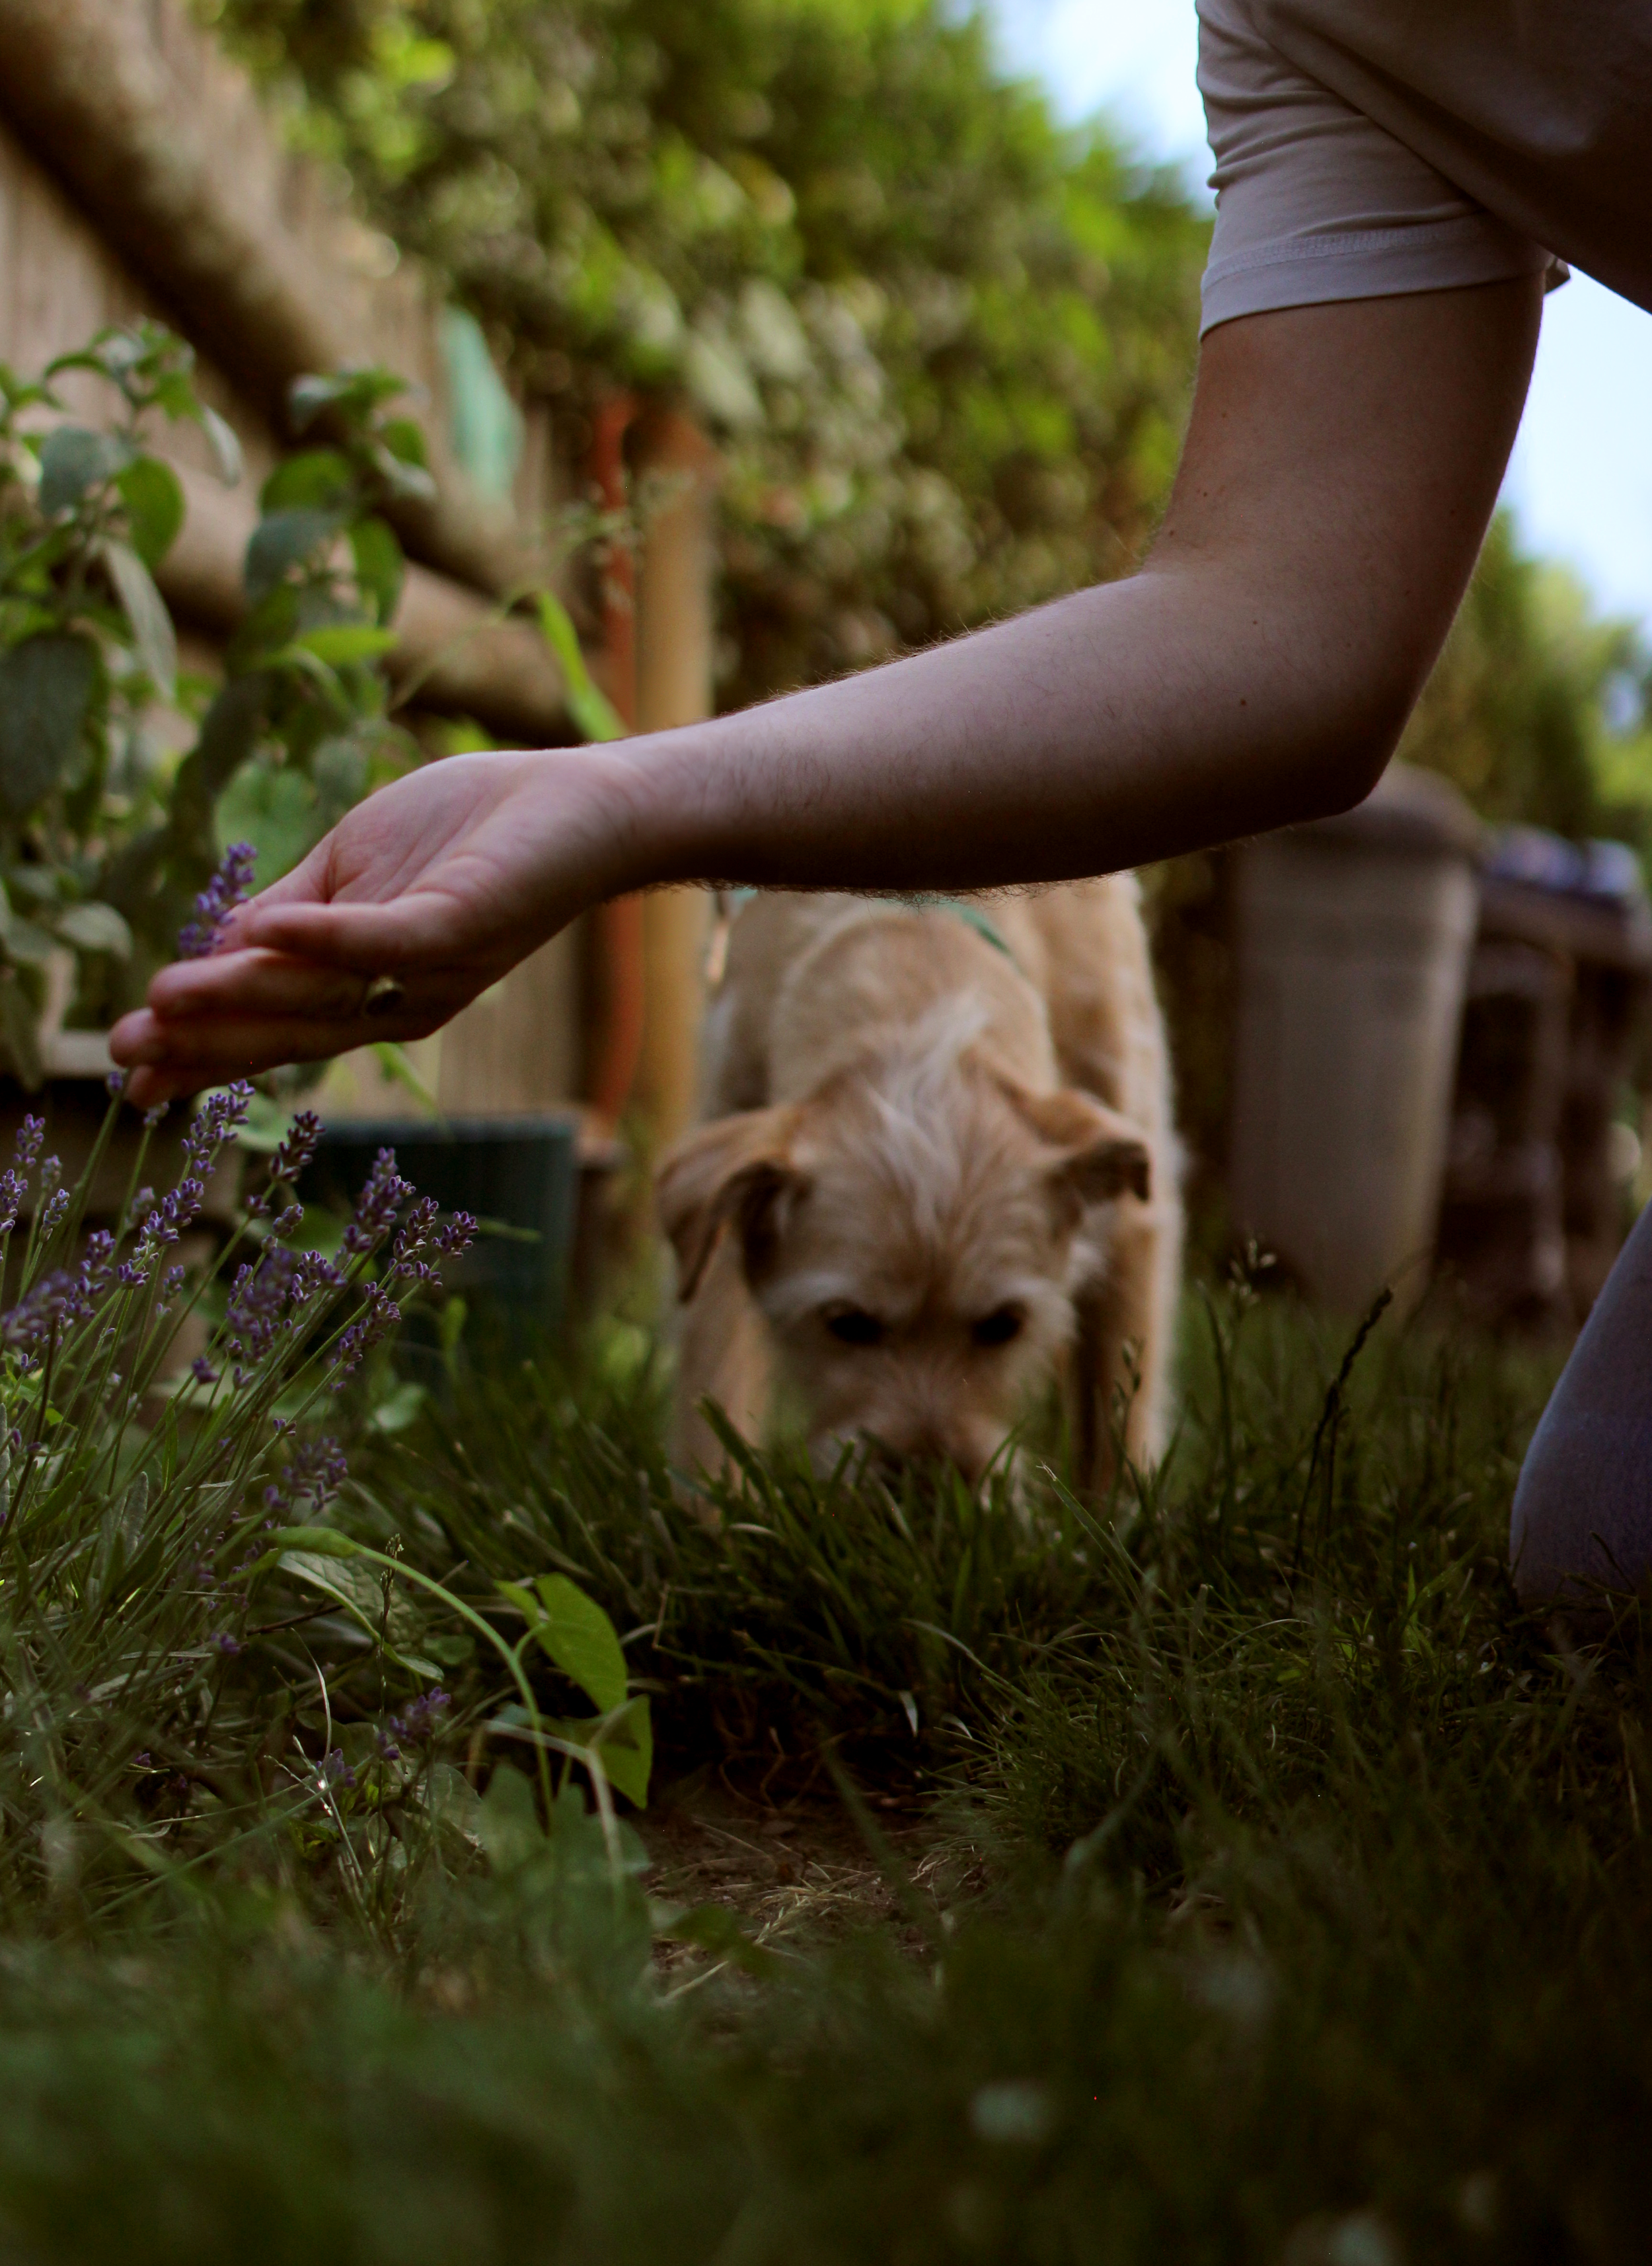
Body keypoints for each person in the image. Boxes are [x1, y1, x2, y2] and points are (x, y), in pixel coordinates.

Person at [110, 1, 1652, 1602]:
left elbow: (1133, 1186)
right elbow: (1285, 627)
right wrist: (613, 802)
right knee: (1602, 1555)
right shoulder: (1293, 27)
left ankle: (1120, 1514)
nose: (926, 1433)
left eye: (992, 1330)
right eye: (853, 1325)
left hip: (1037, 969)